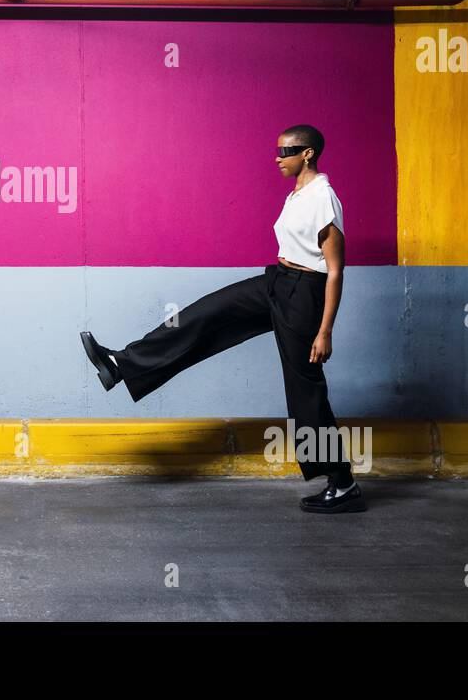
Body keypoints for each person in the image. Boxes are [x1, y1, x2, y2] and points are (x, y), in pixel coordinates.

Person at [80, 124, 364, 513]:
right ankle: (123, 363)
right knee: (206, 314)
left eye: (286, 152)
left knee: (305, 389)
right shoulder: (297, 194)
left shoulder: (323, 199)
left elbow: (334, 270)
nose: (277, 158)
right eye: (277, 151)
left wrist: (325, 330)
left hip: (306, 293)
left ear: (308, 153)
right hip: (278, 280)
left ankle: (342, 483)